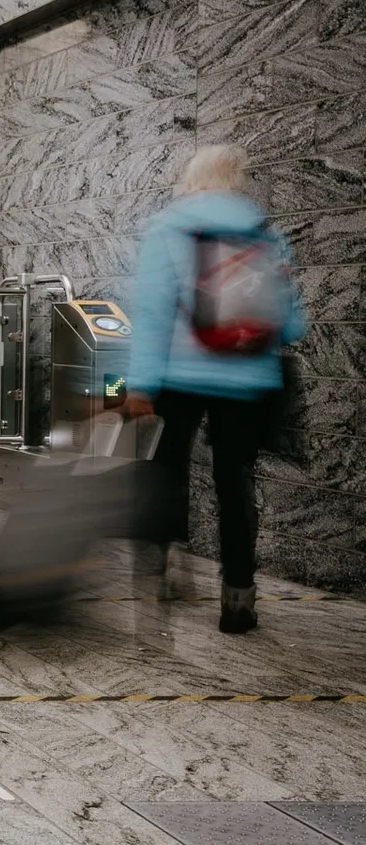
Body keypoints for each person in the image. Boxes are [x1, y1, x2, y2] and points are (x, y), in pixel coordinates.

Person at [125, 145, 305, 635]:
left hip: (178, 377)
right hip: (247, 379)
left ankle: (154, 581)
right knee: (234, 486)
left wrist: (139, 385)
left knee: (165, 476)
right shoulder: (266, 234)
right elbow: (291, 324)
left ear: (192, 178)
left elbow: (154, 312)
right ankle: (239, 599)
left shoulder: (170, 228)